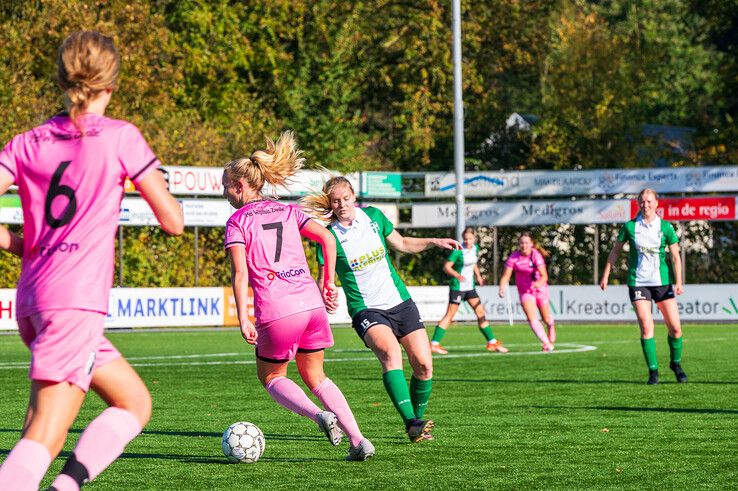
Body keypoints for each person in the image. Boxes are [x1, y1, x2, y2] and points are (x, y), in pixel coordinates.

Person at [0, 31, 184, 491]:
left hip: (35, 302)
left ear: (61, 78)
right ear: (112, 83)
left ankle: (66, 486)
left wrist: (20, 243)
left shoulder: (27, 142)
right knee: (44, 435)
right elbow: (174, 222)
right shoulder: (121, 137)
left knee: (133, 404)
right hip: (75, 304)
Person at [223, 132, 374, 461]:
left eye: (225, 186)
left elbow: (240, 273)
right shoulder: (287, 211)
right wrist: (327, 282)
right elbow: (328, 240)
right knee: (316, 376)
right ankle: (359, 439)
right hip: (311, 305)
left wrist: (244, 318)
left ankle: (319, 416)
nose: (225, 194)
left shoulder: (236, 221)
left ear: (239, 185)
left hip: (278, 311)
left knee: (272, 375)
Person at [302, 176, 460, 442]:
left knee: (424, 364)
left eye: (345, 198)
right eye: (335, 201)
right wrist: (325, 293)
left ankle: (416, 423)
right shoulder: (328, 236)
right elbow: (324, 276)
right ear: (330, 204)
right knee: (389, 352)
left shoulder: (374, 217)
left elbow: (402, 244)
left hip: (400, 301)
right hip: (366, 309)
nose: (341, 205)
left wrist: (433, 241)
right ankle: (411, 422)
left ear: (353, 196)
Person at [600, 188, 687, 385]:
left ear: (657, 204)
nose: (645, 205)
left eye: (649, 201)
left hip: (662, 283)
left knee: (675, 328)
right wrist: (606, 275)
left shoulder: (665, 227)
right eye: (642, 201)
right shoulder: (630, 227)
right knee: (647, 327)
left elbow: (675, 256)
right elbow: (615, 252)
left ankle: (676, 363)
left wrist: (679, 282)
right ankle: (653, 371)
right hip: (638, 282)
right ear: (638, 203)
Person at [430, 227, 508, 354]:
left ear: (474, 239)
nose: (467, 241)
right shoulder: (458, 251)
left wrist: (478, 276)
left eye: (470, 238)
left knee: (480, 312)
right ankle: (434, 344)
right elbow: (447, 267)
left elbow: (474, 264)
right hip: (458, 287)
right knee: (450, 316)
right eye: (465, 239)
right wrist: (457, 275)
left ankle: (492, 342)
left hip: (470, 287)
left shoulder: (475, 248)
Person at [498, 232, 556, 352]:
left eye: (526, 243)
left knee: (546, 318)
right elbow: (506, 276)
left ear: (531, 244)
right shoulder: (514, 257)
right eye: (522, 243)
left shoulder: (536, 255)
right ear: (519, 244)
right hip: (525, 291)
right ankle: (546, 343)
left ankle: (551, 325)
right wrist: (502, 287)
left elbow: (544, 276)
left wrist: (538, 283)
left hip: (540, 289)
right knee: (531, 317)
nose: (524, 245)